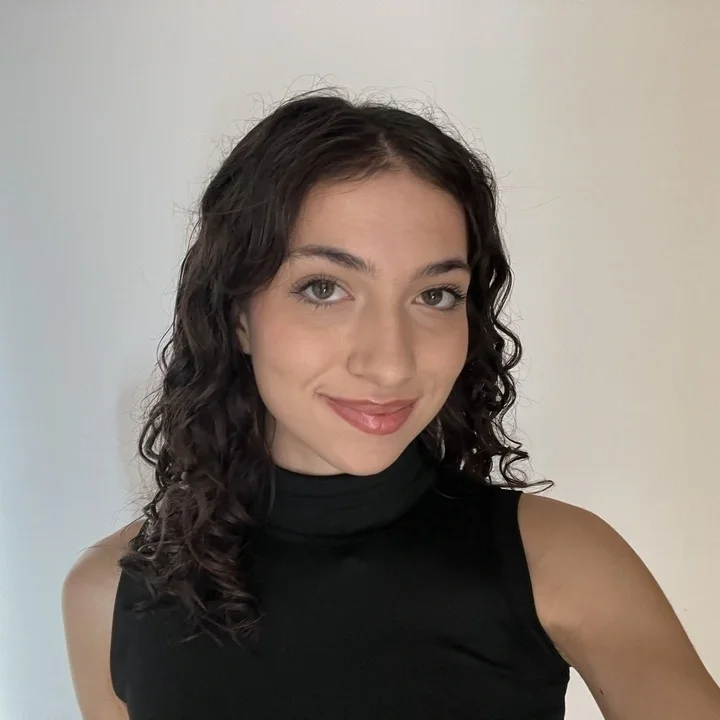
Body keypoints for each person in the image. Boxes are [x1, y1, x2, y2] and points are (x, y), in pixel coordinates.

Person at [61, 89, 720, 720]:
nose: (391, 363)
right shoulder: (108, 595)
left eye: (435, 295)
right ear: (236, 316)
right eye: (324, 288)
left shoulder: (562, 563)